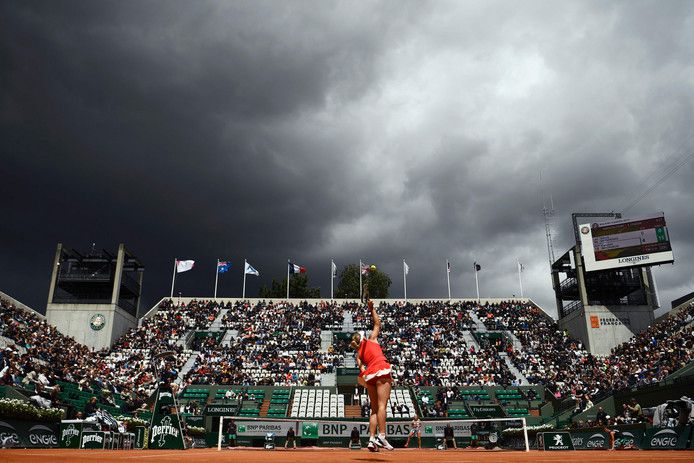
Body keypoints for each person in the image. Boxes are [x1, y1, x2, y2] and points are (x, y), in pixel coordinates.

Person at [350, 294, 394, 452]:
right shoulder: (371, 339)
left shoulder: (359, 354)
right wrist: (371, 309)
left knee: (374, 409)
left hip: (369, 376)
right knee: (383, 406)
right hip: (381, 370)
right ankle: (382, 436)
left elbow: (361, 369)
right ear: (363, 337)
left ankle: (371, 439)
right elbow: (378, 323)